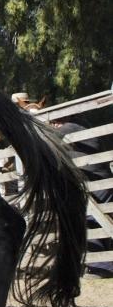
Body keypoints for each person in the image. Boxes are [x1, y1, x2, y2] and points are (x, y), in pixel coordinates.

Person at [52, 116, 112, 278]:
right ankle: (102, 266)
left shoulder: (72, 127)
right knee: (99, 222)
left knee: (92, 222)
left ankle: (101, 267)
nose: (56, 125)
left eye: (57, 122)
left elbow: (49, 135)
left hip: (96, 182)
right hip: (98, 180)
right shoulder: (83, 128)